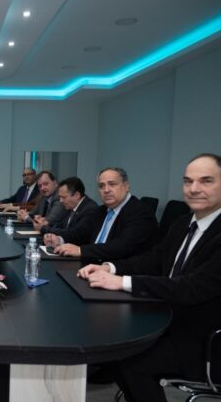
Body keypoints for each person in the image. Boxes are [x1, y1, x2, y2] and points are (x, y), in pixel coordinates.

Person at [77, 153, 221, 402]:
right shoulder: (184, 223)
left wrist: (123, 282)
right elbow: (154, 259)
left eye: (206, 181)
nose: (194, 189)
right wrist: (110, 268)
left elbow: (191, 288)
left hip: (204, 340)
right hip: (169, 321)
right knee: (114, 349)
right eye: (188, 181)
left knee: (132, 362)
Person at [47, 167, 157, 262]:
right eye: (101, 186)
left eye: (112, 184)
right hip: (90, 265)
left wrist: (81, 250)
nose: (106, 190)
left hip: (117, 272)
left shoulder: (141, 212)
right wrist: (59, 239)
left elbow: (122, 246)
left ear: (126, 186)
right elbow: (80, 233)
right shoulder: (100, 211)